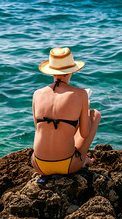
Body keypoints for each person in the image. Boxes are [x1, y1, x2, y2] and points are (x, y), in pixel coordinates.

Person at [31, 47, 101, 179]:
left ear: (52, 72)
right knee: (95, 114)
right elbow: (84, 133)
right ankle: (84, 159)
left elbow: (39, 129)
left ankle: (79, 158)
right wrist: (85, 110)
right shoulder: (80, 94)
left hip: (39, 165)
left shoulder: (37, 94)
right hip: (67, 165)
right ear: (71, 71)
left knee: (56, 126)